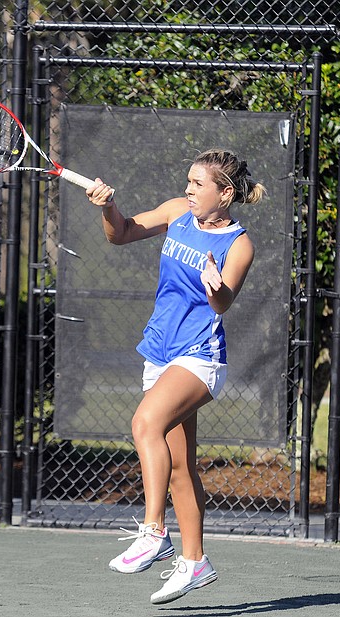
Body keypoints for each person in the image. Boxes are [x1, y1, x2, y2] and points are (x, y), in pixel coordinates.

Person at [85, 148, 265, 605]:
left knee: (145, 424)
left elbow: (223, 304)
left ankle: (153, 532)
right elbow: (120, 234)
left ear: (225, 193)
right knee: (181, 466)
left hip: (200, 356)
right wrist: (108, 206)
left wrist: (217, 286)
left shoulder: (238, 244)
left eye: (198, 184)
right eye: (187, 180)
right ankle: (195, 561)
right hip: (160, 351)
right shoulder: (176, 213)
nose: (188, 189)